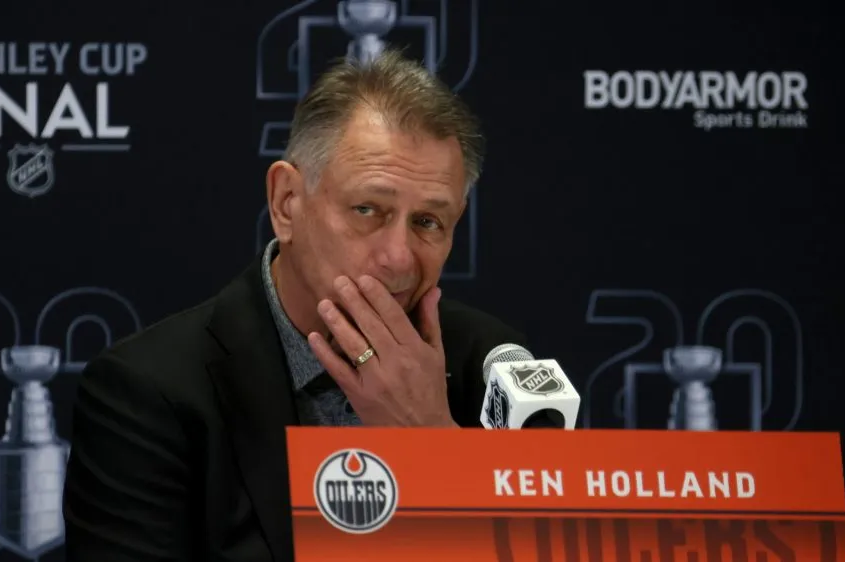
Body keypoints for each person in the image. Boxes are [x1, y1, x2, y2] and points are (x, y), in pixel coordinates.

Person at [61, 48, 527, 562]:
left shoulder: (494, 366)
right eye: (367, 209)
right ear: (287, 203)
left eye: (427, 223)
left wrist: (434, 445)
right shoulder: (148, 393)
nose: (398, 258)